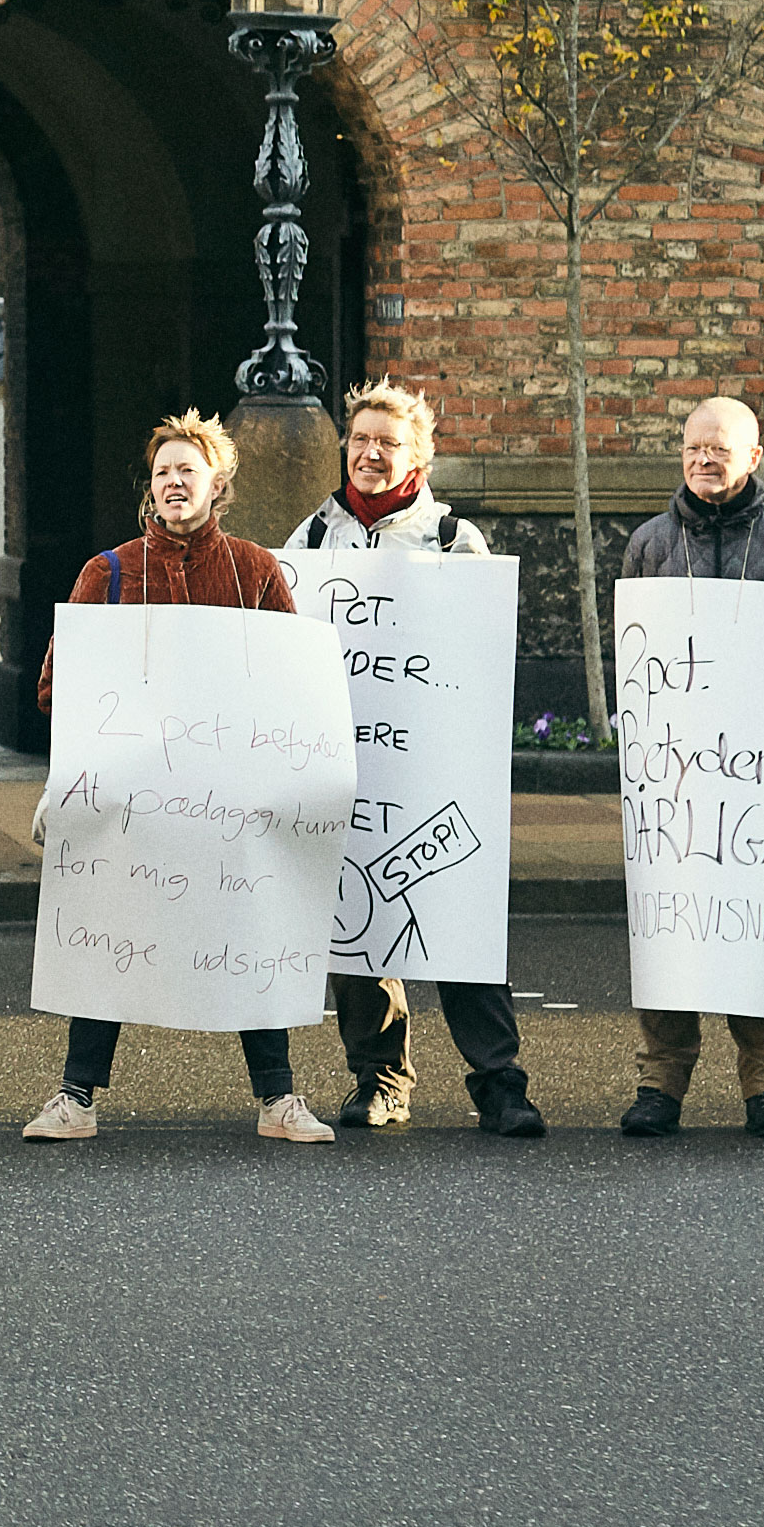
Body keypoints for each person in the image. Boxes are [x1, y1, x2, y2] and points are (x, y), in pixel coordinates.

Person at [21, 413, 342, 1145]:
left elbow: (292, 686)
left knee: (250, 928)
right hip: (131, 801)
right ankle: (75, 1098)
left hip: (231, 799)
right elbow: (54, 688)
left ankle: (278, 1099)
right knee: (108, 931)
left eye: (187, 470)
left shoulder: (255, 571)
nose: (173, 481)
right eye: (163, 470)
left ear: (217, 484)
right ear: (151, 485)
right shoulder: (108, 572)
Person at [280, 380, 538, 1139]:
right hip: (348, 762)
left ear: (417, 455)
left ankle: (499, 1084)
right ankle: (380, 1079)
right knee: (360, 925)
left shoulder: (454, 540)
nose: (370, 454)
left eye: (388, 443)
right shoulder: (312, 541)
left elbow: (487, 654)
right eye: (360, 440)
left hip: (435, 768)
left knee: (458, 923)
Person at [613, 394, 764, 1143]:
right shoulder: (649, 544)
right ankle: (660, 1083)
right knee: (668, 921)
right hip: (674, 776)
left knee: (758, 921)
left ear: (753, 456)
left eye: (720, 448)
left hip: (762, 778)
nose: (705, 460)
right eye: (693, 448)